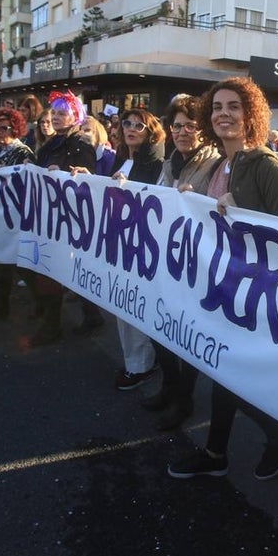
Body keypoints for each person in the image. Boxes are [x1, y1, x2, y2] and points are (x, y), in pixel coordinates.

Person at [168, 76, 278, 481]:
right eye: (217, 107)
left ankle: (273, 438)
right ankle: (224, 450)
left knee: (229, 373)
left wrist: (242, 209)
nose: (223, 114)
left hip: (253, 289)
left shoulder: (263, 164)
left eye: (234, 107)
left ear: (252, 116)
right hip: (223, 282)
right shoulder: (222, 162)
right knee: (222, 371)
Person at [142, 95, 222, 430]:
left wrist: (201, 201)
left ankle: (184, 399)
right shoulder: (170, 160)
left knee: (186, 334)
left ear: (203, 130)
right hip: (167, 259)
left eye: (191, 125)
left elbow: (222, 208)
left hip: (197, 266)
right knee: (158, 327)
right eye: (177, 125)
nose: (183, 131)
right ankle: (169, 387)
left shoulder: (216, 163)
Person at [98, 108, 165, 390]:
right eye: (127, 123)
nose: (132, 128)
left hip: (141, 248)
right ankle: (136, 361)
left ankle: (142, 365)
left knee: (136, 306)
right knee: (122, 306)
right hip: (121, 244)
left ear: (151, 132)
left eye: (140, 125)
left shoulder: (159, 164)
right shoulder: (123, 159)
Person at [31, 92, 99, 346]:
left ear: (75, 116)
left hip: (67, 220)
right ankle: (89, 316)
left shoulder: (80, 143)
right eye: (54, 113)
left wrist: (63, 175)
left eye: (62, 113)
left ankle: (52, 327)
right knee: (58, 270)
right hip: (50, 215)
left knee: (56, 271)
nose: (56, 117)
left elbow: (88, 180)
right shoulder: (52, 142)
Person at [0, 108, 36, 324]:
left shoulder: (23, 152)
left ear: (16, 129)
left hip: (15, 218)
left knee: (22, 265)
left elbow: (25, 183)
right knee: (1, 262)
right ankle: (0, 306)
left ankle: (40, 305)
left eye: (4, 128)